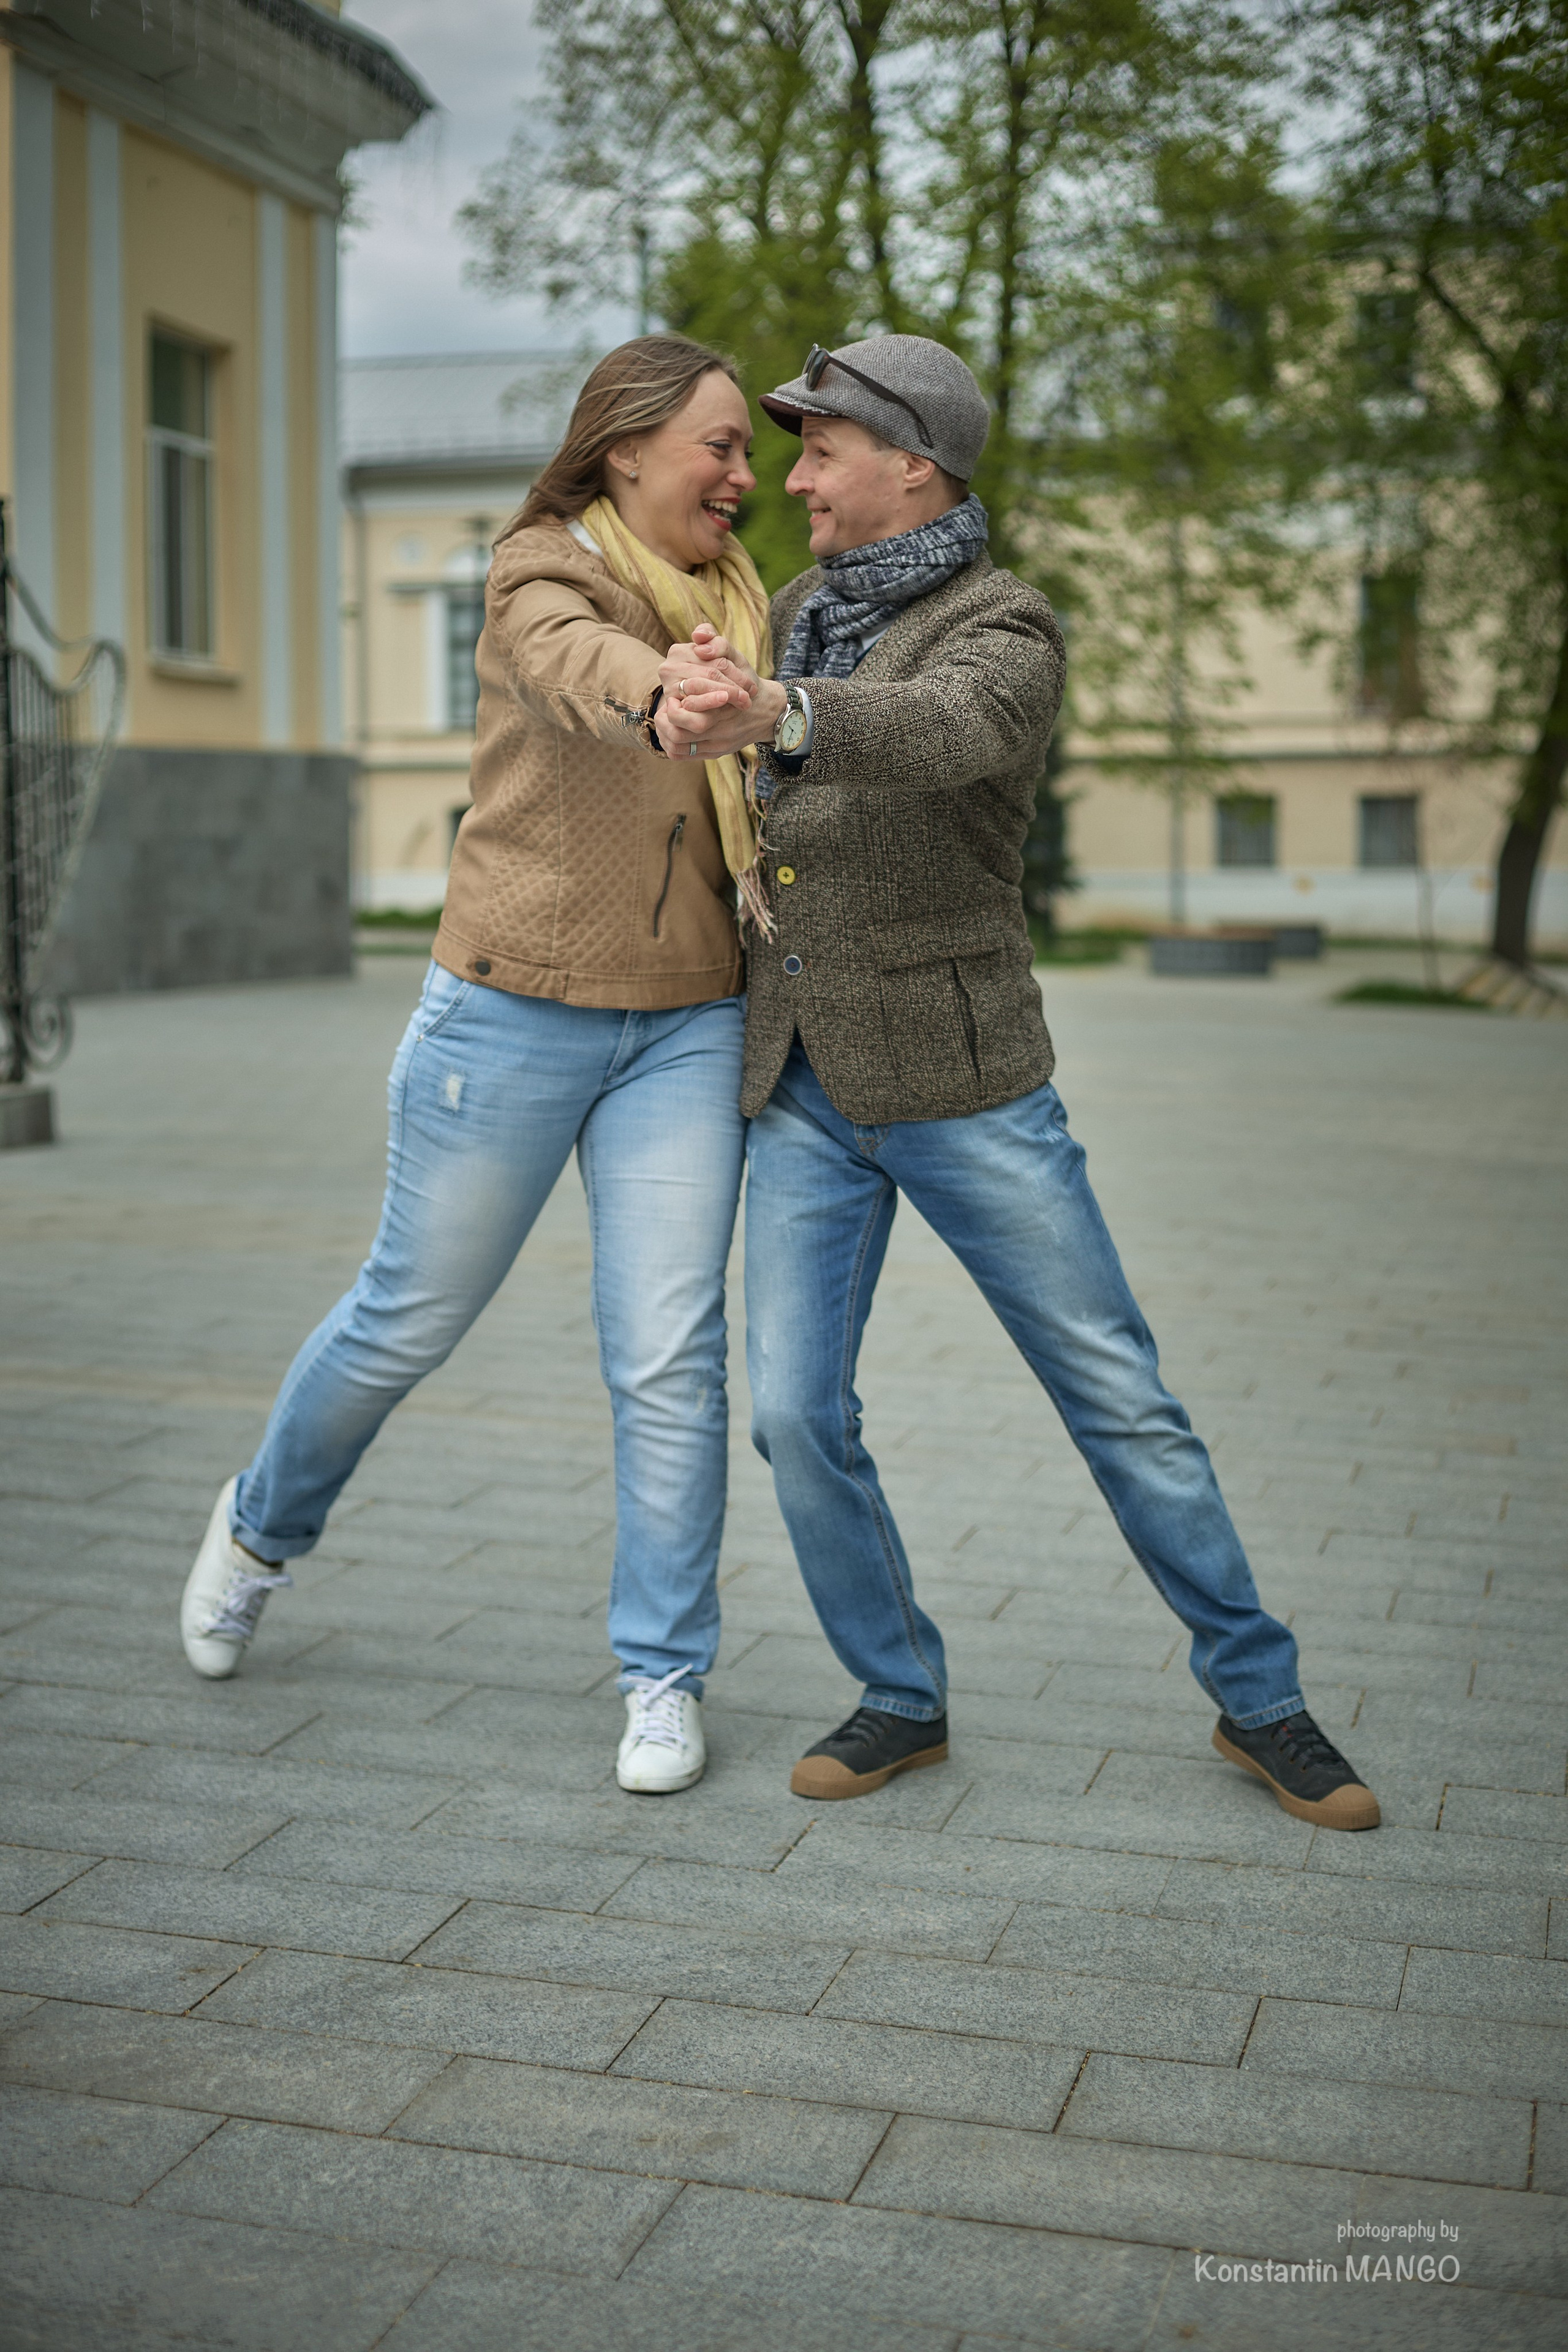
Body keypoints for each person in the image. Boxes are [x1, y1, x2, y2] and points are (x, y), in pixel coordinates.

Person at [653, 333, 1382, 1833]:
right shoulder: (789, 606)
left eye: (820, 452)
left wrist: (779, 715)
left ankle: (1261, 1702)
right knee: (794, 1412)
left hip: (965, 1083)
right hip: (797, 1079)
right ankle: (896, 1692)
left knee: (1114, 1396)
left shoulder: (1004, 625)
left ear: (911, 461)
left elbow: (945, 733)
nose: (793, 478)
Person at [179, 334, 775, 1796]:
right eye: (717, 444)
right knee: (406, 1316)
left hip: (685, 1015)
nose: (743, 475)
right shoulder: (534, 569)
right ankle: (259, 1528)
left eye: (752, 450)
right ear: (626, 447)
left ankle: (661, 1672)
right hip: (508, 1009)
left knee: (667, 1352)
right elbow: (577, 663)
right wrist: (664, 693)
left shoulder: (749, 607)